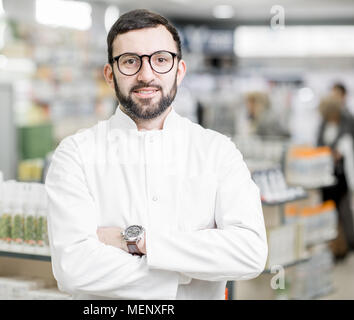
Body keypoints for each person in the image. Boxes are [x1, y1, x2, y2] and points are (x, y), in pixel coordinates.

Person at [44, 9, 268, 300]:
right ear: (110, 75)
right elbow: (73, 269)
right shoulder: (76, 155)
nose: (146, 74)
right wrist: (189, 271)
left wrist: (137, 243)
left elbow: (249, 252)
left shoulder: (217, 151)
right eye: (130, 61)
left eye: (161, 59)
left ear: (180, 71)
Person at [317, 94, 354, 260]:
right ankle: (334, 246)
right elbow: (318, 143)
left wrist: (341, 154)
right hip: (325, 173)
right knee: (328, 210)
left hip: (342, 173)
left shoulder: (348, 121)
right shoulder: (323, 124)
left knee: (343, 210)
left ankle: (346, 244)